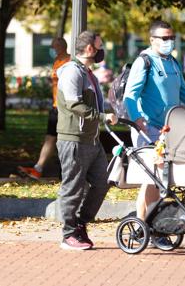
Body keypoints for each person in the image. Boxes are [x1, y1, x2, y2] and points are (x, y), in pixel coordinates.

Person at [123, 21, 185, 233]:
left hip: (169, 130)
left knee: (163, 181)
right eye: (164, 38)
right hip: (147, 129)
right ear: (152, 40)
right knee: (152, 178)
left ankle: (152, 225)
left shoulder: (173, 63)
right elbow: (130, 96)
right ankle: (142, 226)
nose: (168, 42)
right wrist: (138, 119)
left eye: (171, 38)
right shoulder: (145, 62)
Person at [56, 31, 118, 250]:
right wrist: (102, 117)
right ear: (90, 49)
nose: (102, 51)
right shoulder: (72, 72)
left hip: (91, 140)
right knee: (73, 187)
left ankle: (80, 223)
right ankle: (68, 234)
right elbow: (74, 105)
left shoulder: (87, 73)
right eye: (100, 46)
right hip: (74, 140)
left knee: (103, 182)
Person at [18, 37, 70, 180]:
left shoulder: (69, 62)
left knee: (63, 141)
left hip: (65, 108)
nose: (51, 50)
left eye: (53, 47)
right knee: (50, 139)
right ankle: (38, 169)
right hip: (55, 107)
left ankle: (65, 171)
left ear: (61, 47)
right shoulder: (57, 62)